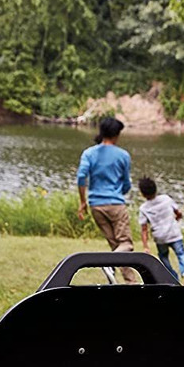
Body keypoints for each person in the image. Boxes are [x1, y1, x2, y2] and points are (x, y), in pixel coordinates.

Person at [77, 118, 136, 283]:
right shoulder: (123, 155)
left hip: (96, 206)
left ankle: (130, 282)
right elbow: (126, 184)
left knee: (116, 245)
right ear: (117, 135)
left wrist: (83, 202)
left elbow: (81, 177)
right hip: (116, 204)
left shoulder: (89, 153)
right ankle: (109, 264)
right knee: (126, 244)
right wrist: (119, 192)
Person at [138, 176, 184, 286]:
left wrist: (146, 246)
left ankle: (173, 277)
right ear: (156, 189)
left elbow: (144, 229)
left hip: (160, 238)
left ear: (143, 194)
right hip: (174, 233)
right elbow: (178, 212)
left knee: (164, 257)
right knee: (181, 254)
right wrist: (177, 217)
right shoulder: (166, 199)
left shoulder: (144, 208)